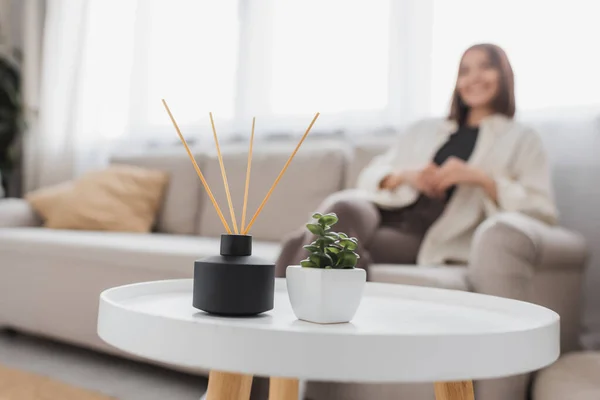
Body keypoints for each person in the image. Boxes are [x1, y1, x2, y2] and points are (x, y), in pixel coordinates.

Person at [275, 43, 557, 277]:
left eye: (486, 66)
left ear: (503, 74)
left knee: (306, 244)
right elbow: (371, 174)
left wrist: (479, 178)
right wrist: (406, 176)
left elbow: (541, 209)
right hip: (382, 207)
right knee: (340, 208)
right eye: (465, 71)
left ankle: (302, 321)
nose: (474, 78)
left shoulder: (522, 138)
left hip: (424, 230)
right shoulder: (426, 128)